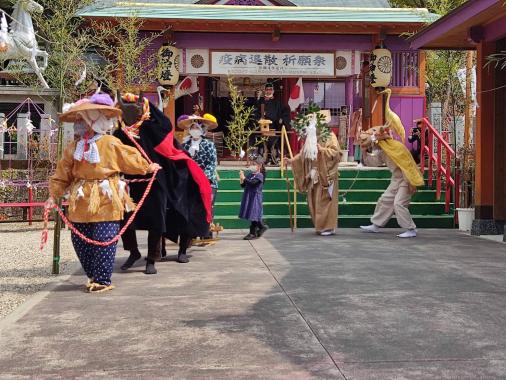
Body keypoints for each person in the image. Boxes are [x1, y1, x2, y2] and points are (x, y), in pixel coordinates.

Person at [45, 93, 159, 292]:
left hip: (105, 195)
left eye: (84, 119)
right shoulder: (73, 147)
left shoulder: (110, 142)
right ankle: (93, 274)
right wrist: (53, 195)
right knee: (80, 240)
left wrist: (147, 167)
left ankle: (103, 280)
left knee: (104, 239)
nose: (80, 124)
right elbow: (62, 173)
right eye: (79, 120)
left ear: (96, 119)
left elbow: (128, 157)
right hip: (80, 198)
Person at [115, 92, 212, 272]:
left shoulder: (154, 127)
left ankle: (152, 258)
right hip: (131, 182)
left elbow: (166, 128)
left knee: (157, 219)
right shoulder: (120, 133)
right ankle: (133, 252)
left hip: (157, 180)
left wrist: (146, 105)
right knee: (125, 219)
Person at [359, 126, 425, 238]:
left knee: (399, 203)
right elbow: (374, 162)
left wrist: (411, 182)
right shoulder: (383, 151)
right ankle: (376, 225)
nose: (373, 145)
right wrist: (364, 153)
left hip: (407, 178)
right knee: (385, 200)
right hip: (396, 179)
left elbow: (407, 165)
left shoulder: (397, 147)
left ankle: (411, 229)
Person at [287, 112, 342, 236]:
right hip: (314, 173)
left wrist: (322, 150)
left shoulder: (330, 136)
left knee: (325, 200)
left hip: (325, 173)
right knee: (314, 200)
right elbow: (303, 155)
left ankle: (328, 227)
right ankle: (320, 226)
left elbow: (336, 153)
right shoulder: (311, 138)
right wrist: (292, 161)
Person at [179, 113, 219, 239]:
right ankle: (190, 232)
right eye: (192, 127)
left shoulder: (209, 145)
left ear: (202, 129)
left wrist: (203, 177)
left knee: (206, 206)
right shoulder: (185, 145)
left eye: (197, 127)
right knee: (190, 208)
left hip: (206, 180)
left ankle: (206, 230)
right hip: (190, 180)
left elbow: (212, 163)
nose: (194, 130)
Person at [254, 82, 291, 164]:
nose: (268, 91)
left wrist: (281, 120)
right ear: (264, 91)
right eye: (267, 89)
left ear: (273, 91)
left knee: (274, 141)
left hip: (275, 127)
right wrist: (258, 120)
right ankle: (262, 158)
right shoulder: (260, 101)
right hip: (262, 128)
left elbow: (284, 113)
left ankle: (275, 157)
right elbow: (255, 113)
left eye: (270, 89)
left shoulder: (278, 102)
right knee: (260, 141)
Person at [239, 157, 268, 240]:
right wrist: (241, 179)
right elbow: (243, 185)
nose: (252, 166)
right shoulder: (250, 174)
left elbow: (253, 183)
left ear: (259, 166)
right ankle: (261, 228)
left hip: (255, 197)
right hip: (249, 196)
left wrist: (244, 178)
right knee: (252, 214)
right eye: (252, 164)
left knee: (254, 214)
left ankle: (253, 233)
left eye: (254, 164)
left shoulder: (260, 175)